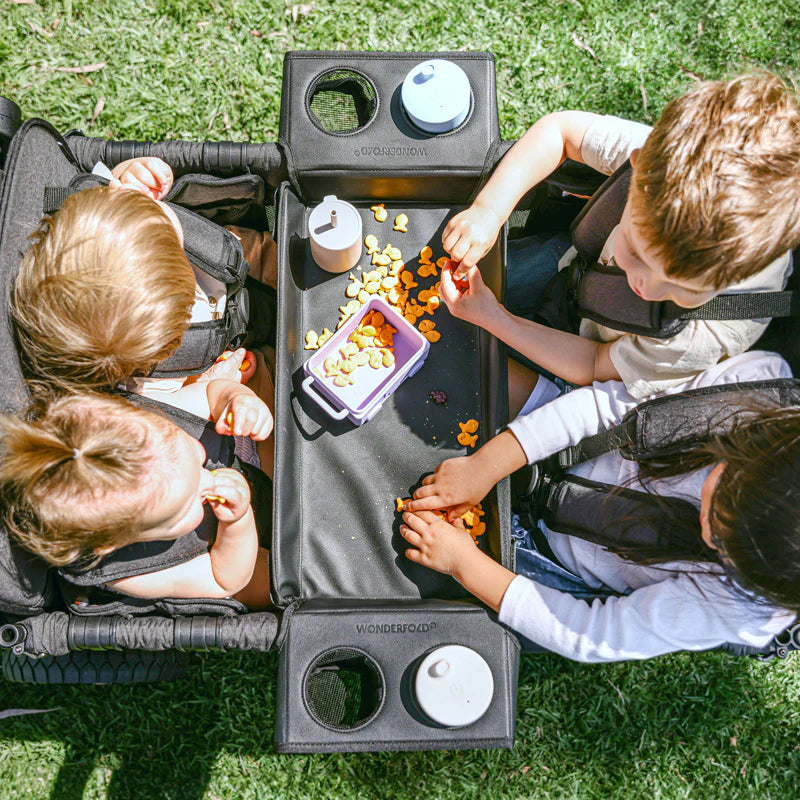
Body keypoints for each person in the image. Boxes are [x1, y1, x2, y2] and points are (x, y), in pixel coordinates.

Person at [399, 350, 799, 661]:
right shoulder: (757, 390)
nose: (707, 529)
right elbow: (606, 407)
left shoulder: (743, 606)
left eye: (722, 546)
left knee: (405, 556)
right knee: (453, 363)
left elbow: (591, 634)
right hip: (579, 439)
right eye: (723, 493)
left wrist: (464, 564)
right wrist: (485, 467)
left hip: (552, 548)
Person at [439, 73, 800, 404]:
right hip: (574, 269)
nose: (646, 286)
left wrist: (497, 320)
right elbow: (559, 131)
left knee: (454, 368)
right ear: (638, 164)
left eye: (682, 289)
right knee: (433, 286)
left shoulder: (705, 337)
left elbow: (594, 364)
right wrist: (488, 212)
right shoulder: (663, 163)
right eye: (637, 252)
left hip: (587, 349)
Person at [0, 391, 272, 609]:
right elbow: (221, 581)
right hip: (233, 549)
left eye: (193, 451)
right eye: (187, 505)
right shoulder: (126, 571)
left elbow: (211, 394)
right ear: (116, 541)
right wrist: (237, 523)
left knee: (263, 369)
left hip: (245, 452)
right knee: (270, 587)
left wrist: (235, 400)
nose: (208, 478)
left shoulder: (143, 429)